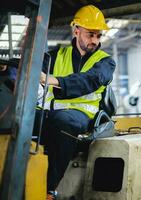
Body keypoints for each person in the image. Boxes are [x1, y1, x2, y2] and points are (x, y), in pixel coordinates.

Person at [33, 5, 116, 200]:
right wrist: (8, 67)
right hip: (49, 114)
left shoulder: (105, 62)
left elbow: (89, 81)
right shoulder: (54, 56)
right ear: (76, 30)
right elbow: (31, 68)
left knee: (64, 122)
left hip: (82, 117)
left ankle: (49, 189)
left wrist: (52, 80)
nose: (94, 41)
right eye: (90, 34)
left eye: (98, 36)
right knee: (18, 121)